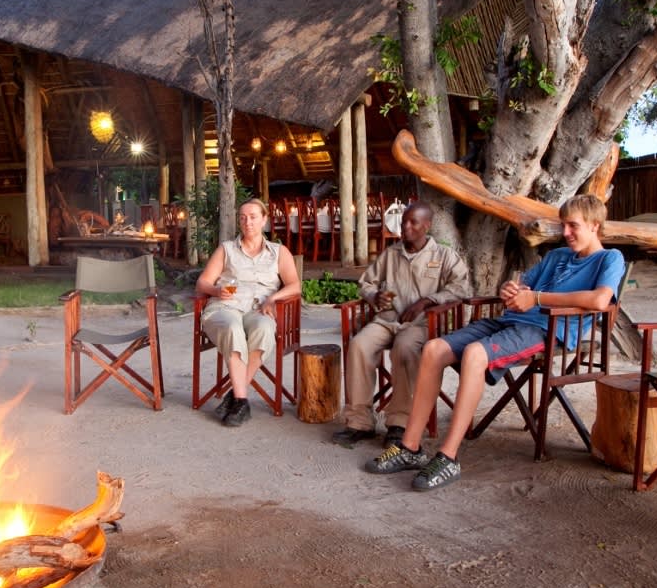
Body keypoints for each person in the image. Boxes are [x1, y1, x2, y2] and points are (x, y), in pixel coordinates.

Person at [364, 195, 625, 491]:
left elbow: (600, 299)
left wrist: (536, 298)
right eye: (564, 225)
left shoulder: (610, 258)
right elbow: (522, 284)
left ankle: (448, 457)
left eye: (573, 226)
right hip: (511, 321)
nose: (566, 233)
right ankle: (410, 448)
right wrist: (510, 290)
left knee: (476, 354)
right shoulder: (556, 256)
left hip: (548, 330)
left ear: (595, 225)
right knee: (434, 349)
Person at [332, 201, 471, 446]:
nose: (405, 226)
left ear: (426, 226)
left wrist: (428, 301)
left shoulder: (443, 255)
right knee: (359, 345)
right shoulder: (390, 254)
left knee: (405, 349)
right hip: (387, 321)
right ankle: (360, 421)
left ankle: (399, 422)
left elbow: (461, 289)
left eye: (412, 222)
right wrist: (374, 296)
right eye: (403, 221)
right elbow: (366, 283)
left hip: (421, 325)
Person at [196, 198, 302, 427]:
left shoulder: (278, 252)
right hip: (225, 307)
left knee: (264, 329)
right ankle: (242, 400)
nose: (247, 222)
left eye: (253, 217)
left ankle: (234, 396)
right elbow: (202, 283)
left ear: (264, 220)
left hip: (259, 308)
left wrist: (273, 298)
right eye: (243, 217)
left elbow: (295, 285)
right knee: (233, 329)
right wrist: (217, 289)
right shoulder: (226, 249)